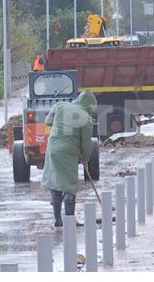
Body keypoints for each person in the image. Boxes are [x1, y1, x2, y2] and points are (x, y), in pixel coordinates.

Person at [41, 89, 97, 227]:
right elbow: (86, 142)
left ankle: (57, 219)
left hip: (53, 149)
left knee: (55, 182)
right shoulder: (86, 118)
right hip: (69, 152)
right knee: (69, 184)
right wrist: (85, 158)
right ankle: (70, 220)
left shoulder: (60, 105)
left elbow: (47, 122)